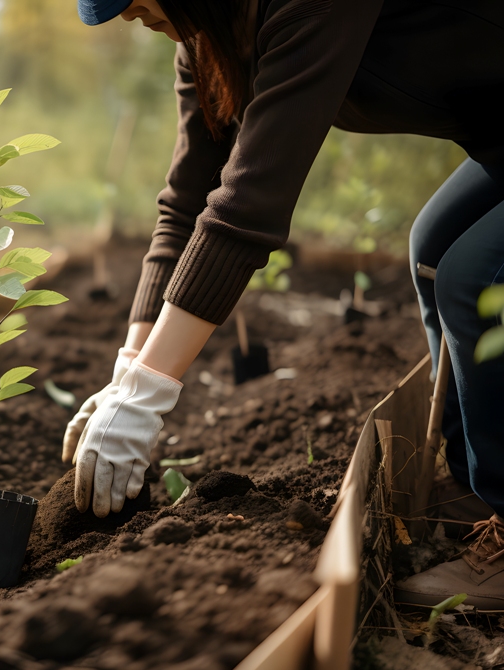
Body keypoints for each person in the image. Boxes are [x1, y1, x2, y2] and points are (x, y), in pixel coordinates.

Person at [68, 0, 504, 608]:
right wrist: (127, 370)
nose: (127, 13)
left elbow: (248, 207)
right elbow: (187, 202)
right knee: (432, 252)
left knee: (474, 277)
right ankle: (475, 482)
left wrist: (148, 394)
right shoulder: (208, 39)